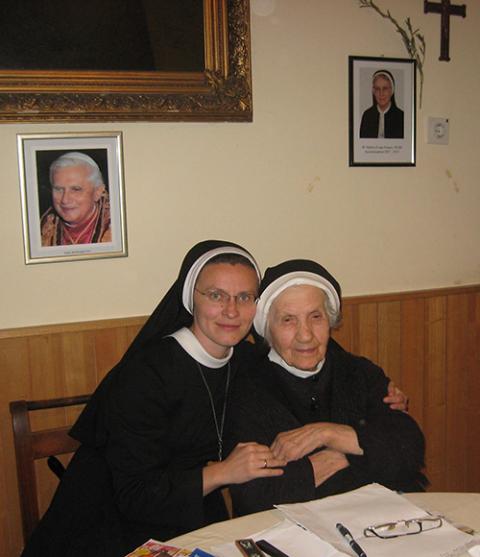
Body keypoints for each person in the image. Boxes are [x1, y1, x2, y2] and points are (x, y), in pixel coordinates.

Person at [22, 240, 285, 557]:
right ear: (191, 299)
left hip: (191, 513)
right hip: (108, 525)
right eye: (216, 295)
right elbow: (134, 494)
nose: (231, 310)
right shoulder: (144, 375)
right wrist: (225, 472)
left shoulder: (244, 359)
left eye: (244, 297)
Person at [228, 259, 427, 516]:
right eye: (288, 320)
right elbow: (257, 495)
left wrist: (326, 434)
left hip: (383, 516)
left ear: (330, 320)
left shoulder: (359, 372)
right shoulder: (248, 390)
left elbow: (409, 450)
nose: (305, 335)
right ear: (268, 329)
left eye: (316, 317)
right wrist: (351, 453)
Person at [40, 151, 111, 246]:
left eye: (76, 189)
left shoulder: (116, 225)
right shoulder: (43, 227)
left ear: (97, 192)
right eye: (58, 189)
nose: (65, 200)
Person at [359, 69, 404, 139]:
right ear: (373, 91)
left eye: (385, 88)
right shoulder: (367, 116)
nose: (381, 93)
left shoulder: (401, 117)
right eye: (377, 89)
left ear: (391, 90)